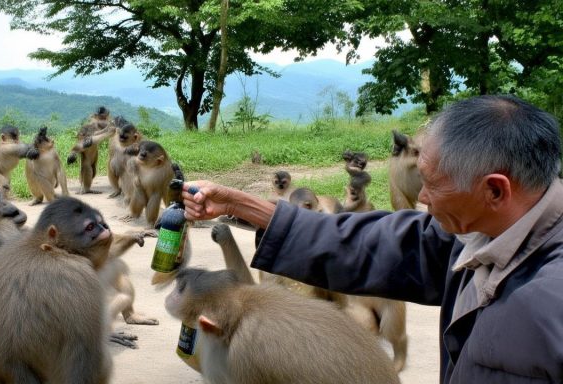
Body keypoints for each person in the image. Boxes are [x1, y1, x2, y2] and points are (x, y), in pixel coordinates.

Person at [182, 95, 563, 383]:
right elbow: (376, 244)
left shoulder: (546, 300)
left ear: (495, 190)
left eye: (432, 185)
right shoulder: (480, 231)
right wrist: (245, 206)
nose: (422, 198)